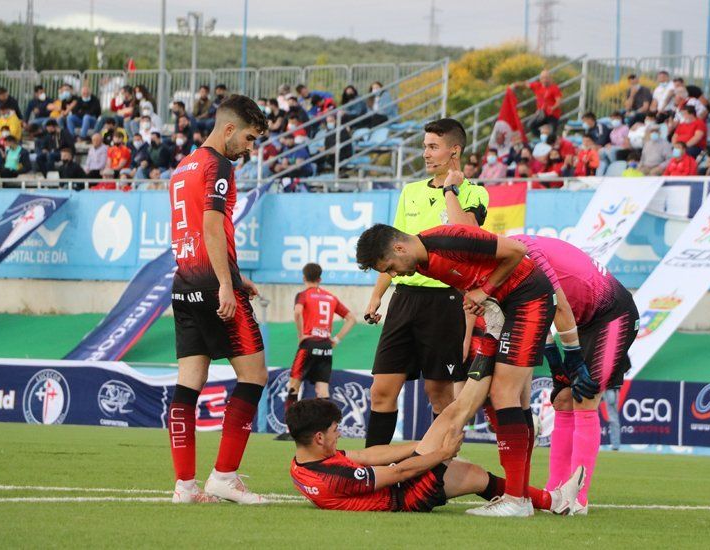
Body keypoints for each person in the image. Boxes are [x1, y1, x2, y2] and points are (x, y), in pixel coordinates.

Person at [356, 223, 556, 517]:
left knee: (504, 394)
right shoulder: (422, 266)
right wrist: (482, 299)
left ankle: (516, 500)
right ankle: (520, 496)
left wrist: (485, 291)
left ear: (399, 248)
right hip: (503, 307)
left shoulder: (450, 238)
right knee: (513, 400)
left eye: (391, 268)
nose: (395, 275)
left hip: (528, 299)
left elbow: (517, 251)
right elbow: (474, 282)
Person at [167, 94, 270, 505]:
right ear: (228, 129)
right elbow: (212, 226)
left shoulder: (183, 166)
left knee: (188, 385)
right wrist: (226, 286)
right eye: (248, 137)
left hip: (184, 285)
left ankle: (185, 486)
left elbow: (193, 230)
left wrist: (236, 278)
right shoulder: (218, 164)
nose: (249, 148)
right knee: (254, 374)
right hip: (212, 287)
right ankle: (224, 477)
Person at [361, 118, 489, 450]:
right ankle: (374, 470)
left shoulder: (475, 192)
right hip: (403, 300)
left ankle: (440, 470)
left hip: (445, 301)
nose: (426, 154)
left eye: (433, 146)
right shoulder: (411, 192)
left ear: (454, 151)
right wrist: (377, 297)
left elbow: (469, 236)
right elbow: (394, 250)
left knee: (440, 395)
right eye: (424, 147)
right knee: (381, 390)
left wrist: (452, 190)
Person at [508, 234, 638, 512]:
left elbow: (559, 307)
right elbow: (536, 315)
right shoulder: (508, 261)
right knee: (562, 400)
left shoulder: (525, 254)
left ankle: (578, 498)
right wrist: (556, 363)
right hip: (581, 321)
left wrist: (568, 359)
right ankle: (555, 490)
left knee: (584, 397)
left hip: (612, 314)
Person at [287, 398, 584, 514]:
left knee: (478, 477)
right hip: (407, 497)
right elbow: (399, 473)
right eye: (336, 430)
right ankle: (489, 351)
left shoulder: (303, 464)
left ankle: (554, 502)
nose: (339, 434)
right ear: (319, 437)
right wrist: (439, 452)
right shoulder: (334, 477)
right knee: (454, 412)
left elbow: (366, 455)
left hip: (401, 489)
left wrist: (421, 446)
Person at [281, 262, 356, 412]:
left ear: (304, 277)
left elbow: (297, 312)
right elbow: (352, 319)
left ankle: (291, 429)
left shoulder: (303, 295)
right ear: (320, 279)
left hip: (309, 344)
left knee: (294, 385)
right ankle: (326, 428)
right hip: (326, 347)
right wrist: (336, 339)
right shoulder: (330, 297)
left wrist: (301, 335)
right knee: (322, 389)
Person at [515, 70, 562, 138]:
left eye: (546, 78)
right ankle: (542, 139)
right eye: (543, 78)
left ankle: (550, 141)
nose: (545, 80)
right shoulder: (537, 86)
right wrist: (515, 85)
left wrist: (552, 108)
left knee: (552, 134)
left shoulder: (554, 88)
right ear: (540, 79)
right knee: (530, 125)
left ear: (550, 79)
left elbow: (559, 102)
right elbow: (526, 84)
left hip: (552, 115)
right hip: (541, 114)